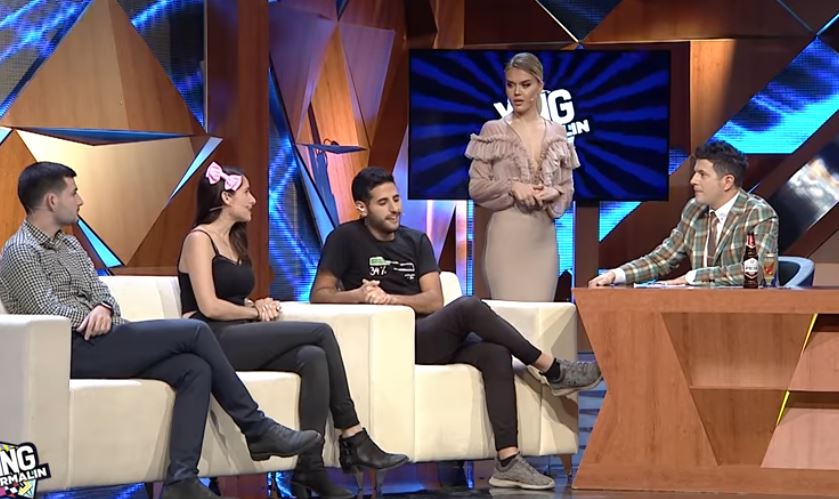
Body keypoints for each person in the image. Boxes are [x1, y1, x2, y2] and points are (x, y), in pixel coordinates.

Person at [0, 162, 323, 499]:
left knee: (193, 368)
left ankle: (181, 480)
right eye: (74, 193)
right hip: (70, 349)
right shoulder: (21, 251)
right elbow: (46, 310)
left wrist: (103, 308)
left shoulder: (70, 246)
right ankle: (256, 427)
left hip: (105, 339)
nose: (80, 200)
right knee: (195, 331)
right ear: (52, 201)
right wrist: (91, 317)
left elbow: (102, 294)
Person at [310, 167, 601, 491]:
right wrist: (359, 295)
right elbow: (319, 294)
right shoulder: (345, 239)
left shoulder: (415, 240)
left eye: (396, 199)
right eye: (383, 203)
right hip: (392, 342)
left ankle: (508, 461)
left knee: (495, 352)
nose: (395, 208)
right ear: (362, 207)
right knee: (468, 306)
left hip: (428, 333)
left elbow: (434, 300)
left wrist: (391, 299)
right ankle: (551, 368)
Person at [177, 163, 407, 499]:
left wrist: (256, 304)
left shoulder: (234, 240)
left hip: (238, 333)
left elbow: (232, 297)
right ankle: (353, 433)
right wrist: (254, 311)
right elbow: (209, 306)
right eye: (247, 193)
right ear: (226, 197)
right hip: (209, 338)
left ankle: (309, 467)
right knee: (320, 332)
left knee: (312, 357)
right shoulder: (199, 239)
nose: (254, 200)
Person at [588, 140, 779, 287]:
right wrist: (615, 275)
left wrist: (693, 277)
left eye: (702, 174)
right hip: (701, 310)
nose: (693, 180)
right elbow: (662, 259)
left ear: (727, 182)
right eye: (695, 173)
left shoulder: (758, 214)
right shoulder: (694, 209)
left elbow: (759, 271)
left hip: (750, 312)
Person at [467, 52, 579, 301]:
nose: (516, 93)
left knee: (540, 318)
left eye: (525, 85)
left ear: (539, 86)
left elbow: (567, 188)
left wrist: (554, 192)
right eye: (510, 85)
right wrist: (512, 186)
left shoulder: (558, 131)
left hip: (543, 241)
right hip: (506, 241)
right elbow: (476, 187)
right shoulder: (493, 130)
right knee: (509, 319)